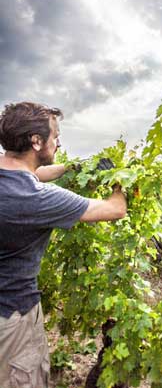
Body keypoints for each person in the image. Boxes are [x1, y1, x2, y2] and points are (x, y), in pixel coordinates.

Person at [0, 102, 127, 388]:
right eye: (55, 136)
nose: (59, 142)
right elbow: (115, 210)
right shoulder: (36, 198)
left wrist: (72, 167)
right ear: (36, 141)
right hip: (12, 317)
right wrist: (119, 181)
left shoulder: (9, 174)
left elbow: (31, 172)